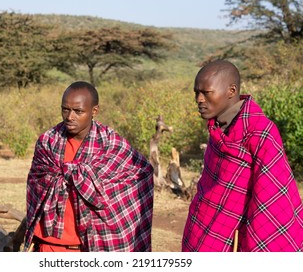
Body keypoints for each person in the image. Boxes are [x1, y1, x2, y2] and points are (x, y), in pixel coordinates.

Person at [182, 60, 303, 252]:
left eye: (206, 92)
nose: (199, 99)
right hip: (203, 227)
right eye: (196, 92)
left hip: (237, 238)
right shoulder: (217, 129)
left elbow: (270, 198)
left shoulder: (260, 133)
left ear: (231, 91)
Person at [23, 81, 154, 252]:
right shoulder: (48, 141)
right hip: (50, 243)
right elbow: (36, 189)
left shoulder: (111, 145)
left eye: (78, 111)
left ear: (94, 111)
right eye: (65, 109)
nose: (70, 117)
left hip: (95, 244)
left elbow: (142, 172)